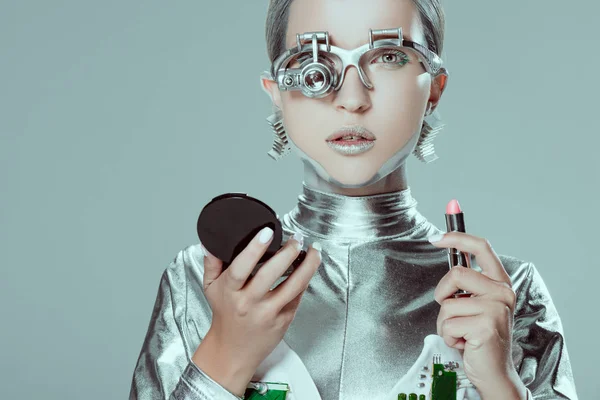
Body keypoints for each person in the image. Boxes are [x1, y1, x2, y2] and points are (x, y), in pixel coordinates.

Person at [129, 0, 578, 399]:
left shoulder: (504, 294)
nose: (351, 98)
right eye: (313, 61)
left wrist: (503, 387)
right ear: (278, 94)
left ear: (434, 89)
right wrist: (224, 358)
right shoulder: (197, 285)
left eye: (388, 57)